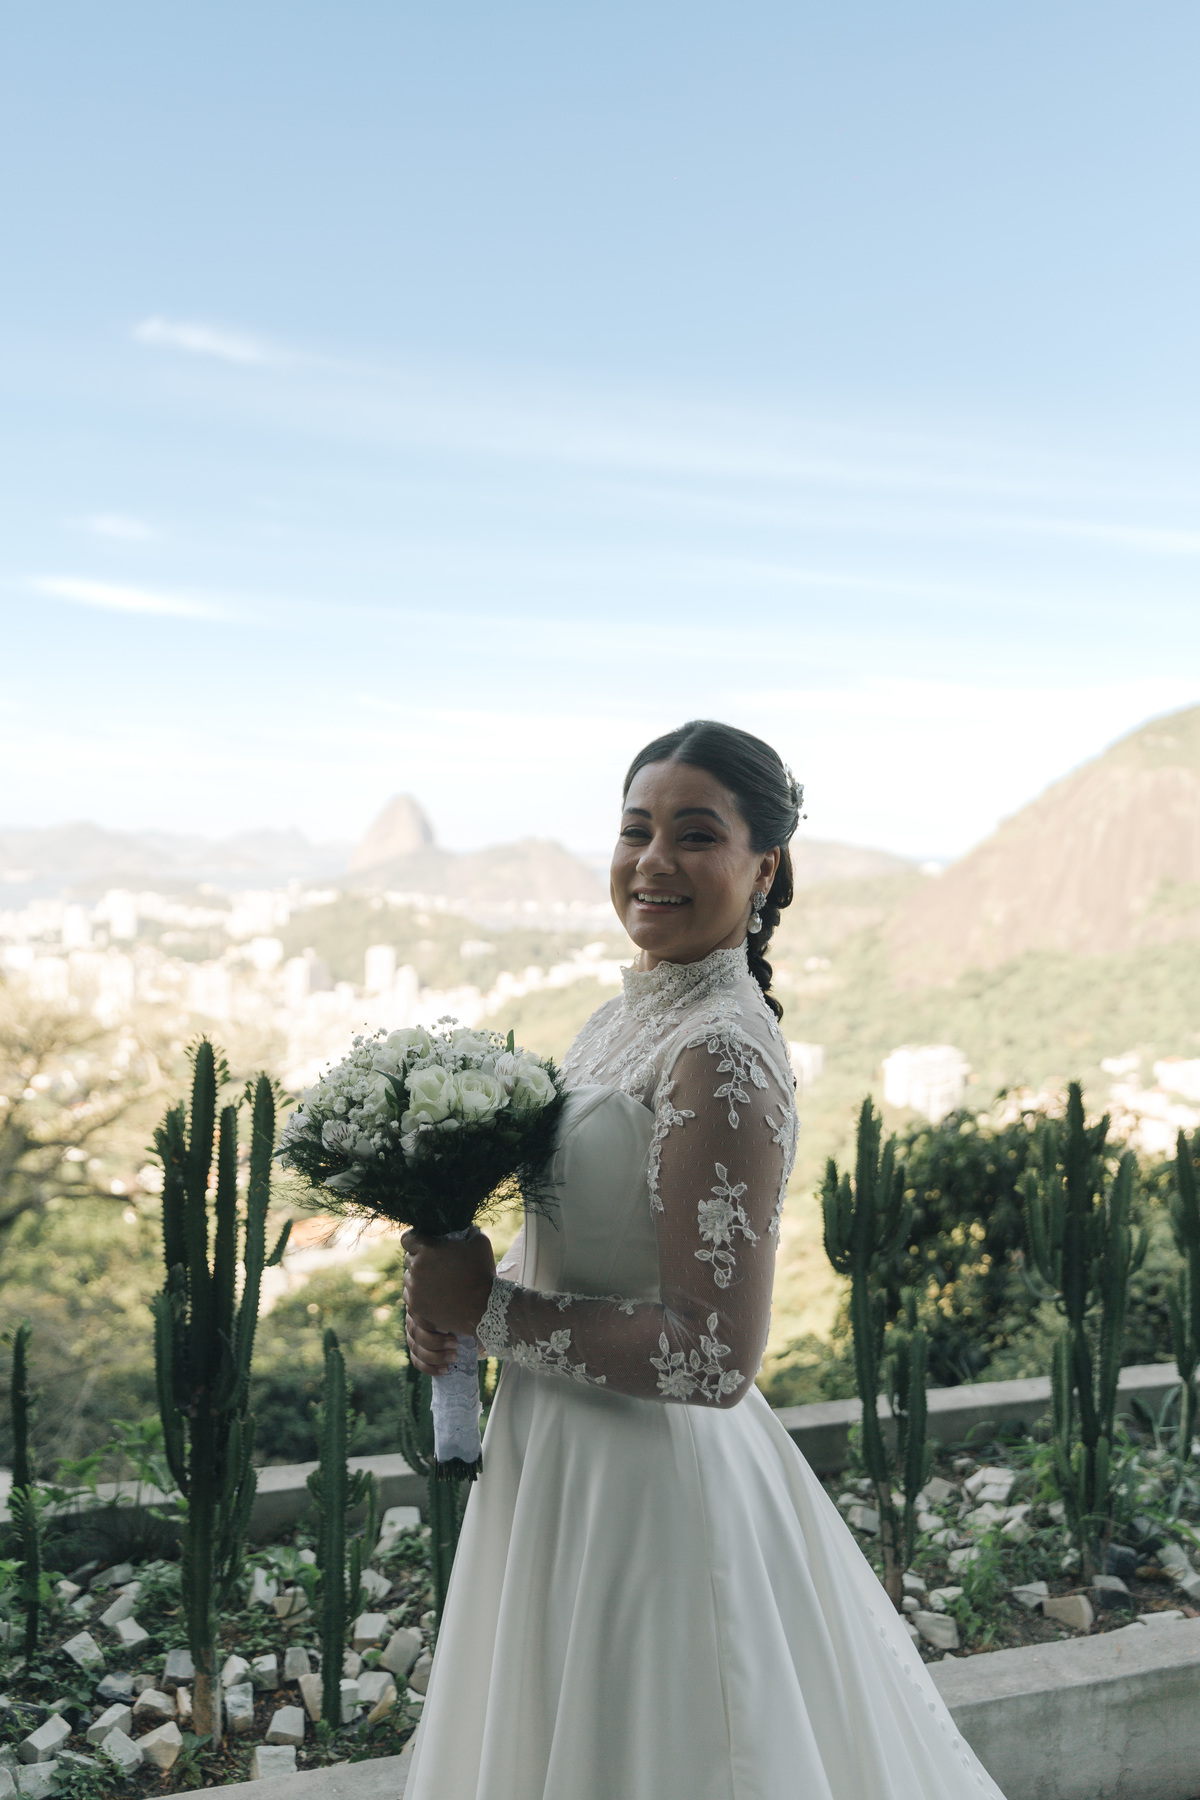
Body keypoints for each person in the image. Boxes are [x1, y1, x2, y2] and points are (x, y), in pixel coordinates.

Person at [401, 720, 1005, 1800]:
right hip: (552, 1450)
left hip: (649, 1486)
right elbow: (579, 1238)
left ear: (763, 867)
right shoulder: (618, 1019)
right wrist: (455, 1305)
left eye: (695, 834)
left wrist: (490, 1311)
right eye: (635, 830)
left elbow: (714, 1355)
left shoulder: (720, 1048)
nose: (653, 861)